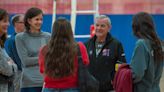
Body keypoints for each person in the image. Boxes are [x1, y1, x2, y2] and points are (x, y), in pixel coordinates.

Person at [38, 17, 89, 92]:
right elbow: (85, 63)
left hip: (49, 88)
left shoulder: (44, 49)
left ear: (53, 31)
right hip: (72, 88)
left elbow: (42, 70)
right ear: (69, 31)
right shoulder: (79, 47)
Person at [85, 15, 126, 92]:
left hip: (109, 88)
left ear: (109, 28)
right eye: (97, 25)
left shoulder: (116, 44)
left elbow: (122, 65)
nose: (99, 28)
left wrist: (114, 79)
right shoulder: (87, 44)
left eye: (102, 26)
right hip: (89, 88)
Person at [15, 7, 51, 92]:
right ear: (29, 21)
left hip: (47, 83)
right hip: (29, 84)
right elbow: (25, 61)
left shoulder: (48, 36)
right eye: (37, 19)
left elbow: (51, 59)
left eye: (41, 19)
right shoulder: (20, 37)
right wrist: (44, 58)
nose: (40, 22)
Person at [130, 12, 163, 92]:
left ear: (136, 27)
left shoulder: (141, 44)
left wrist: (122, 76)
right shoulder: (159, 43)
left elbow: (137, 74)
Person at [5, 14, 25, 92]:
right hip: (19, 74)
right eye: (23, 22)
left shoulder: (24, 38)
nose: (26, 24)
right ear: (16, 24)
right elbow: (15, 60)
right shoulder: (13, 40)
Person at [0, 8, 17, 92]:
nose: (8, 24)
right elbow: (6, 69)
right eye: (4, 21)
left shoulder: (1, 44)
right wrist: (12, 65)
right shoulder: (12, 40)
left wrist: (10, 65)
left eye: (8, 21)